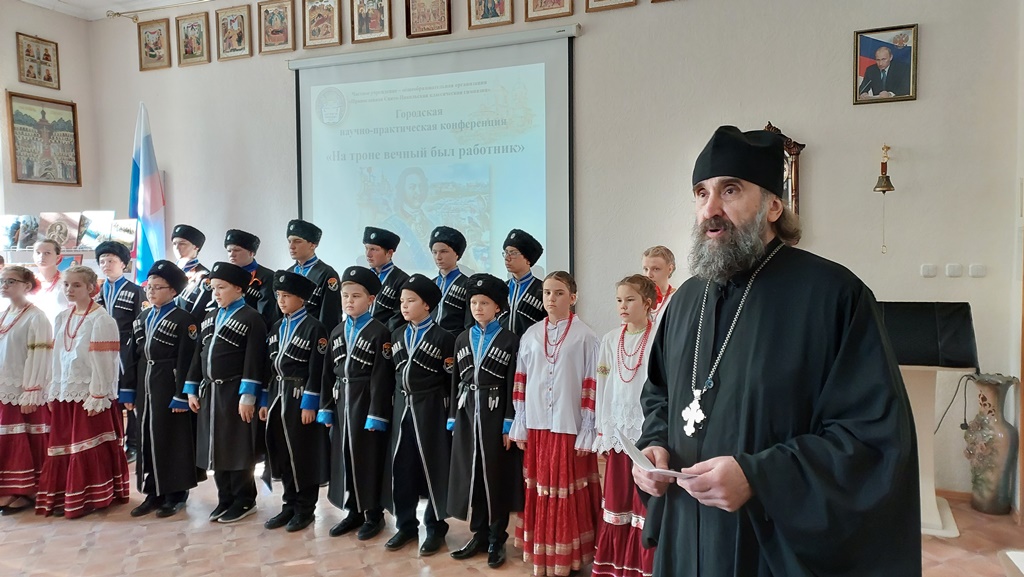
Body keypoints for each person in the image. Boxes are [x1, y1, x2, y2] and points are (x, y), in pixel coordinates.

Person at [632, 125, 920, 576]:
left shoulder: (834, 297)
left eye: (730, 190)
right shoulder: (685, 300)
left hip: (771, 550)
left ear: (773, 204)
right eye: (700, 193)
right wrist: (654, 447)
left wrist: (759, 477)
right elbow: (661, 396)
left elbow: (872, 440)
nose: (711, 208)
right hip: (687, 538)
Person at [508, 271, 602, 577]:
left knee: (565, 493)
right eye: (547, 292)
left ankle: (569, 559)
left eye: (559, 293)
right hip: (537, 425)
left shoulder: (586, 336)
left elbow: (591, 384)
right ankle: (543, 555)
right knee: (540, 491)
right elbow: (521, 381)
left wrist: (588, 428)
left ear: (572, 298)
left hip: (568, 426)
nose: (551, 298)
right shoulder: (531, 335)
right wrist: (519, 423)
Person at [36, 265, 131, 518]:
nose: (69, 289)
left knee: (88, 445)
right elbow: (56, 358)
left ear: (91, 288)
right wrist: (53, 389)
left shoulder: (101, 320)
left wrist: (98, 393)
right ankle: (67, 494)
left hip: (90, 395)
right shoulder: (61, 318)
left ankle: (92, 496)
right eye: (66, 285)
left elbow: (106, 362)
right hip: (66, 392)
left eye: (76, 285)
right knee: (65, 445)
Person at [184, 262, 269, 524]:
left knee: (236, 446)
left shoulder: (251, 318)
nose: (216, 293)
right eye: (213, 288)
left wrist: (248, 396)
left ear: (238, 289)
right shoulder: (210, 316)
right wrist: (191, 387)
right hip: (210, 391)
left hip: (235, 392)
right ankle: (225, 498)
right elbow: (199, 355)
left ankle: (244, 500)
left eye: (221, 288)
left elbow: (255, 360)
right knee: (215, 447)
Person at [446, 273, 521, 569]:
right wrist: (453, 417)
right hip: (467, 415)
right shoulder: (463, 338)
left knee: (495, 476)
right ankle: (478, 534)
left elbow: (513, 384)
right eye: (474, 302)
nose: (478, 308)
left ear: (498, 307)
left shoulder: (510, 340)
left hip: (494, 413)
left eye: (485, 303)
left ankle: (496, 537)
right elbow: (455, 381)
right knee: (472, 474)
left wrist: (508, 423)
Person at [120, 260, 200, 518]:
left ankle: (175, 493)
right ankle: (153, 491)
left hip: (168, 383)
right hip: (146, 383)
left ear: (173, 291)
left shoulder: (184, 320)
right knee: (147, 437)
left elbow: (187, 359)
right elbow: (132, 355)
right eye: (149, 287)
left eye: (158, 287)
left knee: (171, 438)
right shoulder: (142, 317)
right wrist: (129, 389)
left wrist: (181, 394)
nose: (151, 292)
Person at [319, 265, 394, 541]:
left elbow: (381, 376)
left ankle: (373, 514)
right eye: (345, 296)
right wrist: (326, 407)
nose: (349, 301)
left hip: (365, 403)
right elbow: (328, 373)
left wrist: (376, 413)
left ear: (371, 299)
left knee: (368, 458)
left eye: (356, 296)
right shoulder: (337, 331)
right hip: (342, 402)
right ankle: (352, 510)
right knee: (344, 458)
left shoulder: (379, 332)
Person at [382, 274, 454, 556]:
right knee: (402, 468)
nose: (404, 306)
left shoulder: (444, 338)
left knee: (433, 468)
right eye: (402, 301)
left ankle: (436, 527)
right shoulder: (397, 335)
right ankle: (405, 526)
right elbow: (391, 376)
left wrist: (448, 415)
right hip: (402, 410)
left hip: (432, 409)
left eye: (411, 300)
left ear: (427, 305)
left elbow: (451, 380)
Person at [592, 275, 658, 577]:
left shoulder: (658, 336)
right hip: (619, 430)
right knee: (618, 501)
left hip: (646, 432)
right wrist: (603, 430)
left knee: (643, 502)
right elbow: (603, 384)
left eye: (629, 299)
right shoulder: (609, 340)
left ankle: (644, 566)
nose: (622, 306)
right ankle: (615, 566)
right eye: (619, 300)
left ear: (647, 302)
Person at [259, 271, 330, 532]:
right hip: (278, 395)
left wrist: (311, 403)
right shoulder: (277, 327)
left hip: (300, 397)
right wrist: (265, 400)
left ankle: (305, 508)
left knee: (302, 454)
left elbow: (317, 368)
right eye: (278, 295)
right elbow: (269, 367)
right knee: (282, 454)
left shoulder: (315, 327)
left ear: (301, 299)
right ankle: (288, 504)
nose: (281, 300)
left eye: (287, 296)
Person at [0, 266, 52, 514]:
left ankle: (26, 489)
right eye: (3, 281)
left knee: (22, 439)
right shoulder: (3, 315)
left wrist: (32, 389)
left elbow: (39, 356)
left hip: (22, 388)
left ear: (27, 286)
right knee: (6, 440)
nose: (5, 285)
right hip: (4, 387)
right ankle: (12, 489)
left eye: (11, 281)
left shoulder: (36, 317)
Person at [94, 241, 145, 464]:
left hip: (126, 351)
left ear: (123, 264)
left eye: (111, 261)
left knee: (128, 397)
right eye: (102, 261)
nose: (106, 265)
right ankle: (110, 440)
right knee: (106, 396)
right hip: (101, 351)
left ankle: (132, 444)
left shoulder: (136, 291)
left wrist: (133, 351)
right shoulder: (96, 291)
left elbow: (139, 324)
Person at [287, 219, 342, 334]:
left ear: (313, 244)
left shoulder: (327, 274)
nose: (291, 246)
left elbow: (330, 316)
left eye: (297, 241)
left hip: (312, 336)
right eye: (289, 241)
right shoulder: (288, 273)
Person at [224, 229, 279, 329]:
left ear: (251, 253)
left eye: (237, 250)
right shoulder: (225, 276)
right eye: (229, 251)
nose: (232, 254)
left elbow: (265, 314)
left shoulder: (267, 276)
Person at [500, 229, 545, 337]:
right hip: (503, 350)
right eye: (506, 252)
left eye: (513, 253)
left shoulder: (542, 289)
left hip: (530, 350)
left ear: (528, 259)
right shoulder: (501, 288)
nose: (507, 258)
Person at [364, 226, 409, 333]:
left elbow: (399, 317)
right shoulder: (364, 276)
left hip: (385, 338)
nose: (368, 254)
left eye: (374, 249)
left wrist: (379, 334)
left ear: (389, 253)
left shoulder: (402, 280)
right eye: (366, 248)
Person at [430, 226, 473, 336]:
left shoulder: (468, 284)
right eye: (434, 252)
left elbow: (469, 323)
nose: (438, 257)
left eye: (444, 251)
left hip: (454, 341)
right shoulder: (430, 284)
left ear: (457, 254)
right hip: (430, 340)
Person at [171, 224, 213, 324]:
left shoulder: (204, 276)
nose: (177, 248)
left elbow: (198, 313)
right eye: (174, 243)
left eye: (182, 243)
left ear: (196, 247)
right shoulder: (168, 271)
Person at [28, 238, 68, 324]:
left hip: (58, 331)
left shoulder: (66, 282)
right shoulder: (28, 283)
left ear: (58, 258)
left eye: (47, 253)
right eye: (38, 253)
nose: (41, 256)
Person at [641, 246, 676, 332]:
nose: (649, 275)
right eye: (646, 269)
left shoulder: (678, 298)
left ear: (670, 269)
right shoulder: (637, 297)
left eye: (656, 269)